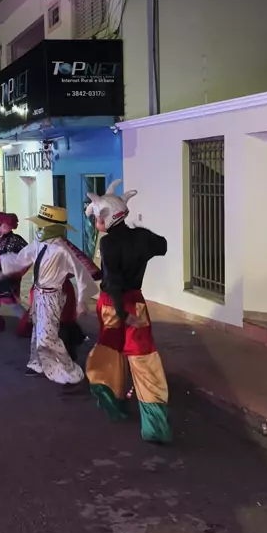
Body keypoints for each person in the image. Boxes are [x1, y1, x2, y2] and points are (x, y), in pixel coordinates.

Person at [84, 180, 172, 443]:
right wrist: (140, 235)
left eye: (97, 216)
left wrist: (121, 313)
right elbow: (163, 246)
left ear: (107, 216)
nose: (96, 221)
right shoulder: (142, 238)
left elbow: (113, 282)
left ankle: (116, 403)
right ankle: (155, 427)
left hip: (113, 305)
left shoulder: (109, 244)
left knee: (110, 354)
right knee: (144, 359)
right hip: (136, 302)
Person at [0, 204, 97, 392]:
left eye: (42, 225)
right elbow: (20, 260)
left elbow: (81, 272)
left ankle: (74, 376)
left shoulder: (61, 250)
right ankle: (38, 364)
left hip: (52, 296)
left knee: (47, 337)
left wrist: (82, 301)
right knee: (37, 331)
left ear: (53, 227)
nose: (39, 228)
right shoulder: (40, 243)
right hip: (39, 294)